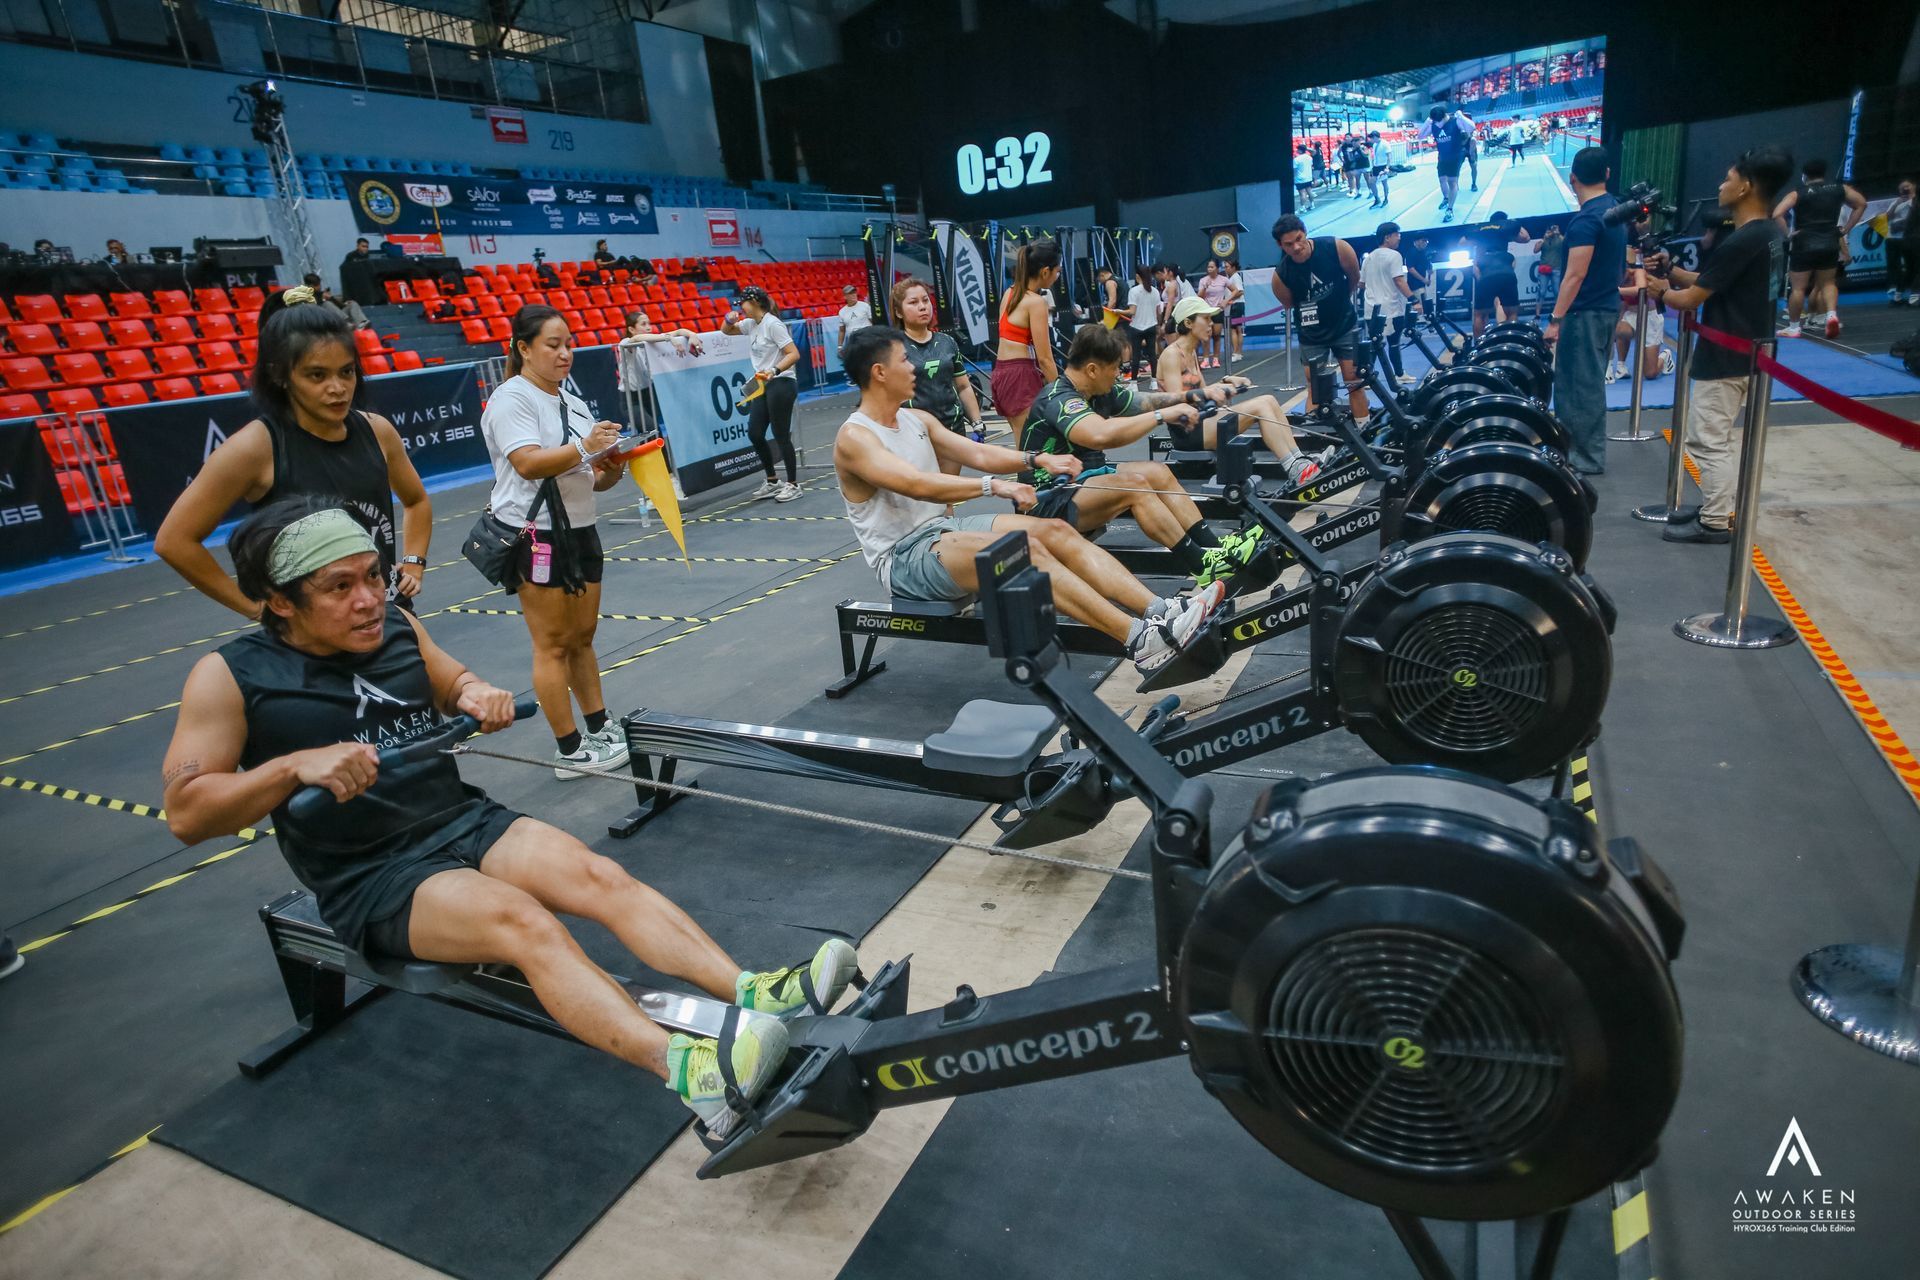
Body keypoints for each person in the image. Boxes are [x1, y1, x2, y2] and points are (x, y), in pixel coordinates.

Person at [161, 497, 859, 1131]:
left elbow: (450, 680)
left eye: (372, 576)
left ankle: (759, 994)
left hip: (459, 819)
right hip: (374, 875)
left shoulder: (396, 625)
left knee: (598, 875)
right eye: (339, 588)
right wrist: (291, 767)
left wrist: (474, 694)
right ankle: (694, 1076)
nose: (370, 599)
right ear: (279, 602)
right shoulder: (232, 677)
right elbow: (187, 814)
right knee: (522, 923)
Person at [835, 326, 1221, 676]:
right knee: (1025, 553)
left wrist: (1037, 459)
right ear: (879, 373)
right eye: (904, 360)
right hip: (904, 558)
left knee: (1053, 531)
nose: (914, 367)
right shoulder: (855, 438)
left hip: (942, 531)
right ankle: (1141, 640)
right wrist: (994, 487)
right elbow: (916, 484)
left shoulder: (916, 418)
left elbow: (980, 455)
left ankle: (1161, 611)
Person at [156, 291, 431, 620]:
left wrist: (414, 563)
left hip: (387, 618)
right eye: (317, 375)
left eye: (346, 372)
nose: (338, 387)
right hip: (311, 641)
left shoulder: (377, 430)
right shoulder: (253, 448)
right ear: (279, 376)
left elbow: (416, 501)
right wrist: (255, 609)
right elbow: (174, 541)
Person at [480, 304, 630, 776]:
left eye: (568, 344)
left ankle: (599, 725)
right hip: (537, 534)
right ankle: (570, 750)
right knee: (552, 644)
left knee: (583, 638)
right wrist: (586, 448)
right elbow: (528, 463)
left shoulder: (574, 402)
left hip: (580, 528)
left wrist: (612, 468)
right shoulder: (512, 399)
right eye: (553, 345)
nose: (565, 353)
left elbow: (590, 479)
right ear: (523, 349)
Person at [1022, 323, 1271, 590]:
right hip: (1047, 499)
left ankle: (1212, 546)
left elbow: (1144, 401)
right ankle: (1201, 565)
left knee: (1156, 472)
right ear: (1093, 370)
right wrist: (1160, 417)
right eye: (1116, 368)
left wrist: (1195, 395)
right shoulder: (1060, 399)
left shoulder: (1097, 389)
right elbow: (1100, 434)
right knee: (1136, 486)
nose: (1120, 375)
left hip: (1081, 482)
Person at [1644, 146, 1791, 544]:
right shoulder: (1766, 234)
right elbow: (1712, 280)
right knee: (1719, 438)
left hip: (1727, 356)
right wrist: (1672, 272)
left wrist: (1659, 289)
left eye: (1727, 179)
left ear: (1746, 186)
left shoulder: (1745, 239)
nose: (1721, 185)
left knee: (1708, 441)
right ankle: (1717, 505)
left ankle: (1713, 520)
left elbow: (1690, 299)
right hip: (1749, 350)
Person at [1156, 296, 1327, 486]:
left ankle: (1299, 460)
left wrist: (1228, 383)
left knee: (1269, 399)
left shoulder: (1191, 352)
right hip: (1189, 433)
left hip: (1202, 421)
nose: (1211, 324)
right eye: (1206, 319)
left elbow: (1203, 391)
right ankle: (1292, 467)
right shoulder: (1171, 355)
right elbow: (1177, 403)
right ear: (1188, 323)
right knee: (1261, 407)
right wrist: (1219, 392)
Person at [1544, 146, 1628, 476]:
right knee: (1587, 383)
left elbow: (1575, 274)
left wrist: (1555, 320)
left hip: (1585, 313)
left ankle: (1583, 459)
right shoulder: (1615, 211)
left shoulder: (1587, 219)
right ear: (1607, 173)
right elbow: (1620, 268)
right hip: (1605, 308)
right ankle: (1581, 453)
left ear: (1572, 178)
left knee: (1579, 387)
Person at [1270, 215, 1370, 422]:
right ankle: (1317, 439)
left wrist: (1339, 302)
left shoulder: (1336, 247)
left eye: (1299, 239)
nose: (1297, 247)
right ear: (1280, 245)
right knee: (1316, 388)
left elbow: (1354, 277)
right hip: (1312, 335)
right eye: (1289, 244)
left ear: (1305, 232)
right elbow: (1289, 304)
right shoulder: (1280, 275)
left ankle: (1364, 429)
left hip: (1344, 325)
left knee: (1354, 381)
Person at [720, 286, 802, 501]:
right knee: (755, 433)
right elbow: (725, 331)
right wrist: (728, 320)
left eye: (743, 303)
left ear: (754, 301)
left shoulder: (772, 324)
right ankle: (773, 480)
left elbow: (793, 353)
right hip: (762, 385)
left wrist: (774, 370)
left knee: (780, 434)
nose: (741, 307)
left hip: (781, 382)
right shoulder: (750, 324)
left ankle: (793, 484)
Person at [1773, 158, 1867, 339]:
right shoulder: (1839, 189)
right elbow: (1862, 203)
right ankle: (1831, 315)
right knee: (1828, 284)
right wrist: (1847, 228)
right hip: (1829, 242)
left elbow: (1777, 213)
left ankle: (1793, 327)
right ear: (1824, 173)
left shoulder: (1797, 193)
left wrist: (1788, 234)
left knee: (1798, 288)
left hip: (1803, 243)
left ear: (1805, 175)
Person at [889, 278, 988, 448]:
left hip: (952, 427)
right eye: (913, 302)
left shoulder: (947, 342)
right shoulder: (892, 346)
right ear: (898, 312)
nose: (922, 306)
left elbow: (963, 386)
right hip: (913, 431)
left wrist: (977, 422)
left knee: (951, 476)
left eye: (925, 300)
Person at [617, 308, 699, 497]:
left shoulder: (650, 343)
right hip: (630, 399)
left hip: (647, 396)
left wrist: (691, 334)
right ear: (631, 329)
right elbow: (638, 340)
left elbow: (679, 332)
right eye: (643, 324)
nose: (649, 327)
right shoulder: (626, 343)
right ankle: (662, 486)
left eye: (649, 323)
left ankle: (668, 482)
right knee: (652, 434)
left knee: (658, 437)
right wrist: (668, 339)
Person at [990, 240, 1061, 438]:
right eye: (1057, 271)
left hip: (1002, 373)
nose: (1057, 276)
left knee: (1023, 443)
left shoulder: (1009, 293)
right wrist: (1061, 393)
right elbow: (1045, 359)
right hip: (1020, 375)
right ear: (1045, 272)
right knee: (1031, 447)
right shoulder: (1036, 302)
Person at [1608, 219, 1672, 383]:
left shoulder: (1638, 272)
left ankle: (1665, 357)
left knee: (1650, 374)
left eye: (1628, 265)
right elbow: (1622, 303)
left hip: (1650, 318)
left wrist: (1616, 291)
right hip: (1631, 315)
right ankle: (1621, 366)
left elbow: (1641, 290)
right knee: (1616, 329)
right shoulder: (1615, 274)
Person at [1361, 222, 1423, 386]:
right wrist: (1414, 300)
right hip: (1391, 308)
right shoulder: (1394, 255)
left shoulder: (1369, 258)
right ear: (1387, 237)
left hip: (1371, 309)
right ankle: (1399, 374)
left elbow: (1361, 284)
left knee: (1374, 343)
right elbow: (1399, 281)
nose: (1399, 237)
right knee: (1394, 343)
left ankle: (1367, 378)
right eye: (1397, 234)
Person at [1470, 210, 1529, 337]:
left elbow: (1465, 246)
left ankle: (1477, 346)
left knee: (1480, 314)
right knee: (1512, 312)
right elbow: (1525, 238)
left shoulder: (1482, 231)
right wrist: (1515, 224)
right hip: (1505, 267)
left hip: (1485, 269)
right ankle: (1511, 340)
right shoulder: (1505, 229)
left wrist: (1481, 279)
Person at [1416, 106, 1473, 223]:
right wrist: (1427, 122)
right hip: (1442, 157)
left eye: (1439, 121)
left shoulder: (1455, 121)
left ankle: (1450, 209)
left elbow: (1471, 128)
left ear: (1445, 116)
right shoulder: (1434, 124)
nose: (1438, 124)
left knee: (1452, 182)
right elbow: (1420, 136)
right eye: (1435, 122)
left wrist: (1461, 116)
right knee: (1442, 180)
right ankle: (1446, 198)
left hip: (1455, 157)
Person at [1125, 263, 1163, 379]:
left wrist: (1117, 311)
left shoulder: (1133, 291)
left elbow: (1132, 311)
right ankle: (1154, 380)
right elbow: (1158, 312)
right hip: (1151, 326)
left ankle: (1134, 383)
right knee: (1152, 355)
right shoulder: (1155, 291)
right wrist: (1158, 325)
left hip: (1136, 327)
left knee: (1136, 356)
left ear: (1137, 276)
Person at [1195, 260, 1234, 368]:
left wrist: (1226, 300)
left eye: (1212, 267)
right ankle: (1206, 359)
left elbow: (1236, 290)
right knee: (1206, 336)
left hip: (1218, 310)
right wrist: (1205, 287)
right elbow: (1200, 296)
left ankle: (1216, 359)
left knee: (1216, 335)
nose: (1210, 269)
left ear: (1217, 268)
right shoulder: (1203, 280)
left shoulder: (1223, 280)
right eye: (1208, 267)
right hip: (1206, 311)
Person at [1885, 180, 1918, 306]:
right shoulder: (1896, 202)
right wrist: (1897, 204)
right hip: (1894, 238)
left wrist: (1912, 197)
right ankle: (1899, 296)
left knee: (1911, 267)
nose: (1905, 190)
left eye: (1907, 187)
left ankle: (1910, 295)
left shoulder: (1915, 201)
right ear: (1899, 191)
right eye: (1902, 188)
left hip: (1908, 238)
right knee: (1897, 268)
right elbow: (1887, 217)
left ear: (1913, 187)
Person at [302, 272, 369, 330]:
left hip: (337, 317)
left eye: (319, 284)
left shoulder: (321, 294)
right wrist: (322, 299)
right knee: (327, 304)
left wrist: (333, 299)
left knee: (352, 304)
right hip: (323, 321)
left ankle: (361, 323)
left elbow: (340, 307)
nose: (319, 286)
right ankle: (345, 324)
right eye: (317, 285)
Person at [1535, 224, 1566, 320]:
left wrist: (1558, 233)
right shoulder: (1542, 241)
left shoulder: (1560, 239)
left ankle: (1558, 314)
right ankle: (1537, 314)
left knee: (1557, 292)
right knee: (1542, 292)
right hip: (1544, 269)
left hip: (1556, 268)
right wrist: (1544, 238)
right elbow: (1535, 250)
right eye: (1549, 230)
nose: (1551, 232)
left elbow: (1567, 243)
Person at [836, 285, 872, 359]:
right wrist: (839, 346)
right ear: (845, 297)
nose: (853, 295)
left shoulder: (865, 306)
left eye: (854, 292)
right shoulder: (842, 312)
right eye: (850, 293)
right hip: (854, 342)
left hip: (867, 339)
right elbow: (842, 330)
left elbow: (874, 322)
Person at [1223, 258, 1247, 362]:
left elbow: (1240, 292)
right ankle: (1239, 353)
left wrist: (1229, 299)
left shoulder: (1235, 277)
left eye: (1227, 267)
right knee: (1238, 329)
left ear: (1233, 267)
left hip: (1236, 305)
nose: (1225, 269)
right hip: (1238, 304)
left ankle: (1236, 353)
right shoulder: (1233, 277)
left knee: (1233, 329)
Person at [1366, 131, 1393, 209]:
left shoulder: (1385, 144)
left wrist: (1387, 168)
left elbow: (1389, 157)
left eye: (1371, 138)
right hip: (1376, 166)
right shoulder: (1374, 145)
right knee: (1371, 182)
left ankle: (1386, 198)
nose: (1370, 139)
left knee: (1384, 183)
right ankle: (1377, 199)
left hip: (1383, 166)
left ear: (1375, 137)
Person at [1293, 143, 1317, 211]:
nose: (1297, 150)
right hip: (1308, 177)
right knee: (1309, 191)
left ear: (1300, 150)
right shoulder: (1309, 157)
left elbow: (1294, 170)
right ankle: (1312, 204)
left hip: (1299, 178)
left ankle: (1303, 207)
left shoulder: (1296, 159)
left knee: (1302, 193)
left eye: (1298, 149)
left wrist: (1294, 178)